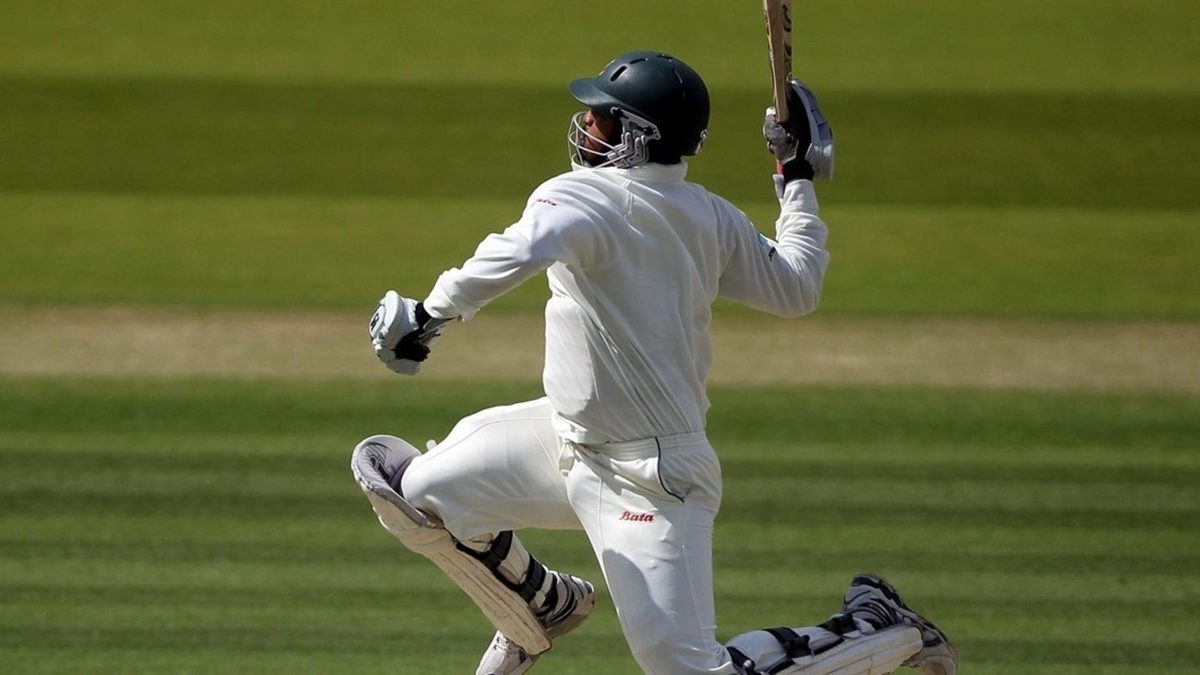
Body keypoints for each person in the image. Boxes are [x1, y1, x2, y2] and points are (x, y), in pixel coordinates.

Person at [351, 51, 957, 675]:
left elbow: (518, 249)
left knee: (687, 670)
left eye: (603, 118)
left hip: (652, 478)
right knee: (416, 496)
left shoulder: (585, 196)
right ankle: (543, 602)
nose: (587, 125)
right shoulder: (710, 214)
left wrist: (428, 314)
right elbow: (798, 284)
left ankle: (877, 623)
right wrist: (795, 175)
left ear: (637, 136)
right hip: (564, 442)